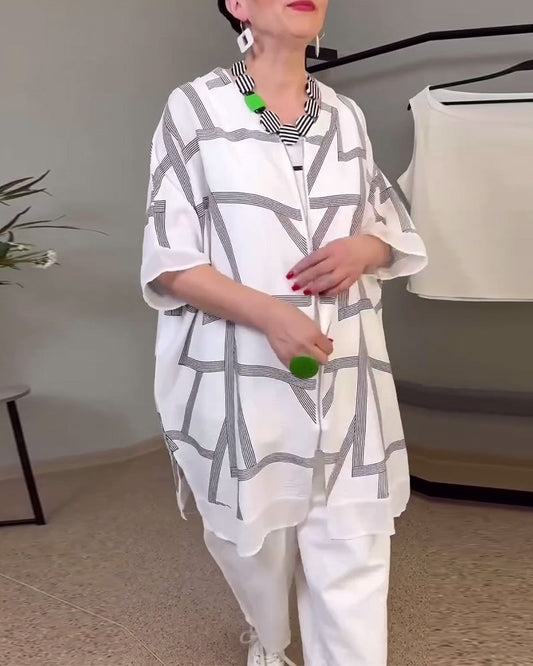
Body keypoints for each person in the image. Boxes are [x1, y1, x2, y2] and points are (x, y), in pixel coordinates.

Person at [140, 1, 428, 664]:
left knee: (353, 542)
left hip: (346, 366)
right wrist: (270, 315)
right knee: (255, 541)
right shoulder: (195, 108)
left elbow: (388, 224)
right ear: (236, 4)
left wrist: (366, 248)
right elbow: (169, 260)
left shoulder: (345, 116)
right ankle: (268, 640)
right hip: (240, 370)